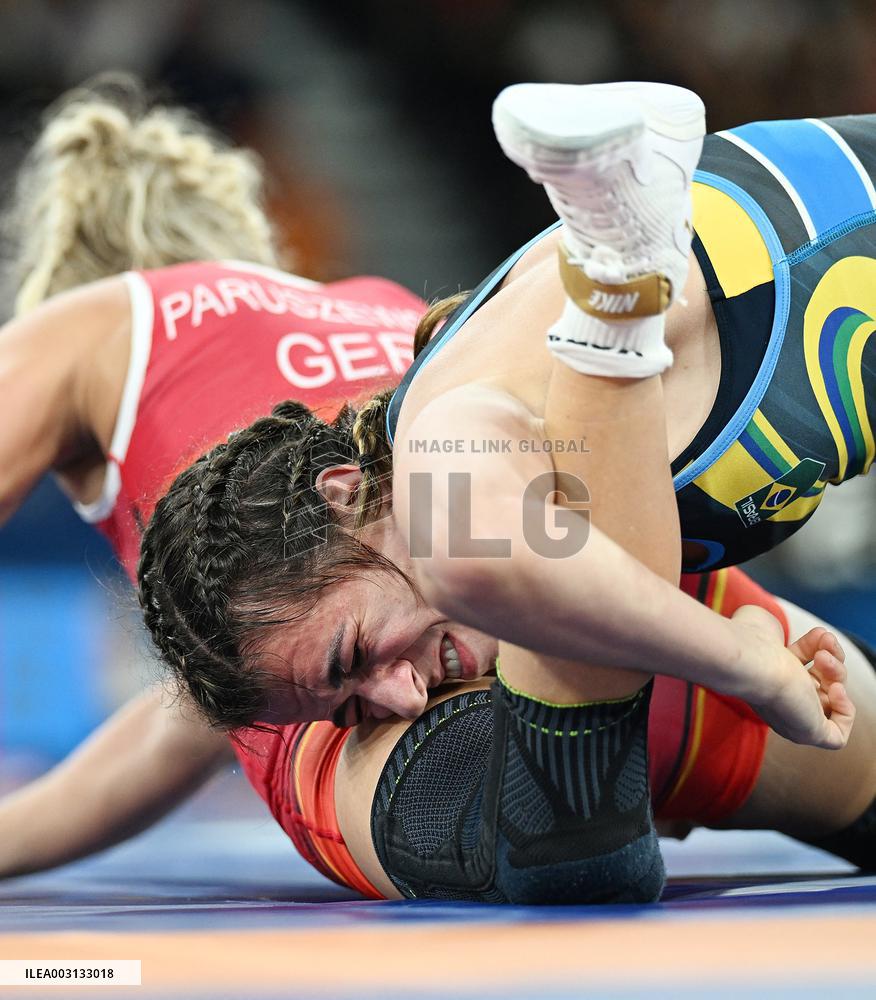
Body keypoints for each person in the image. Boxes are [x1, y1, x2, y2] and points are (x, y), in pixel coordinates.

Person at [136, 81, 874, 902]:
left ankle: (619, 268)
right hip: (806, 241)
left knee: (490, 570)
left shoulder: (441, 439)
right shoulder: (465, 440)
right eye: (351, 710)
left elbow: (482, 567)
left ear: (345, 494)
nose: (404, 693)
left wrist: (752, 670)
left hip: (807, 241)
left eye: (353, 656)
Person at [0, 73, 424, 866]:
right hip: (619, 632)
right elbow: (196, 714)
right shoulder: (383, 299)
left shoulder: (92, 325)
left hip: (408, 761)